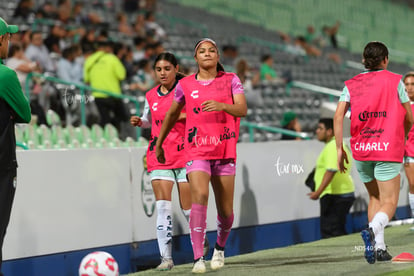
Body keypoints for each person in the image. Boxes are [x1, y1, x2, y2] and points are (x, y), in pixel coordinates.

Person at [155, 38, 247, 273]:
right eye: (202, 51)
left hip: (224, 151)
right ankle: (198, 258)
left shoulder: (231, 80)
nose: (207, 54)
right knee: (200, 196)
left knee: (226, 213)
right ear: (195, 58)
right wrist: (160, 143)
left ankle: (219, 248)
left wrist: (222, 106)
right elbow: (172, 114)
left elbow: (242, 109)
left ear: (218, 57)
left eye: (212, 51)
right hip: (196, 151)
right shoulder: (184, 85)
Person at [334, 41, 413, 264]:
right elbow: (409, 116)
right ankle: (372, 230)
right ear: (385, 60)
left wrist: (340, 148)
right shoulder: (395, 81)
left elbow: (338, 115)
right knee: (389, 202)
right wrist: (402, 136)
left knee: (375, 198)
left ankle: (378, 248)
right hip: (387, 148)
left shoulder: (351, 84)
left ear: (364, 60)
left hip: (362, 150)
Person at [130, 52, 209, 271]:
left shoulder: (187, 90)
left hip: (185, 155)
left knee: (187, 209)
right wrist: (141, 122)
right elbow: (149, 120)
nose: (162, 73)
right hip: (159, 155)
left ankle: (200, 243)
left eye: (167, 69)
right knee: (163, 208)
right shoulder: (150, 95)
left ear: (175, 69)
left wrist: (180, 116)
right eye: (158, 70)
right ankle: (166, 259)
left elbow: (199, 113)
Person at [0, 17, 31, 275]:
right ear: (1, 40)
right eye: (8, 37)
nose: (9, 41)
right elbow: (24, 113)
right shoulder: (6, 75)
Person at [308, 118, 355, 238]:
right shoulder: (335, 145)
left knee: (331, 232)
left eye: (320, 128)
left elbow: (331, 170)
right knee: (336, 230)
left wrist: (318, 192)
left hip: (335, 195)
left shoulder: (333, 146)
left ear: (329, 131)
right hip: (338, 194)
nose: (317, 131)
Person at [83, 40, 129, 133]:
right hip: (113, 94)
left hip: (98, 95)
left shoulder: (89, 60)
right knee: (121, 117)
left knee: (104, 119)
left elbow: (86, 80)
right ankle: (118, 136)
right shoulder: (112, 58)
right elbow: (122, 75)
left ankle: (104, 137)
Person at [403, 71, 414, 231]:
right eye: (407, 84)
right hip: (408, 150)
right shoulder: (400, 105)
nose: (410, 87)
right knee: (413, 184)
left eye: (413, 84)